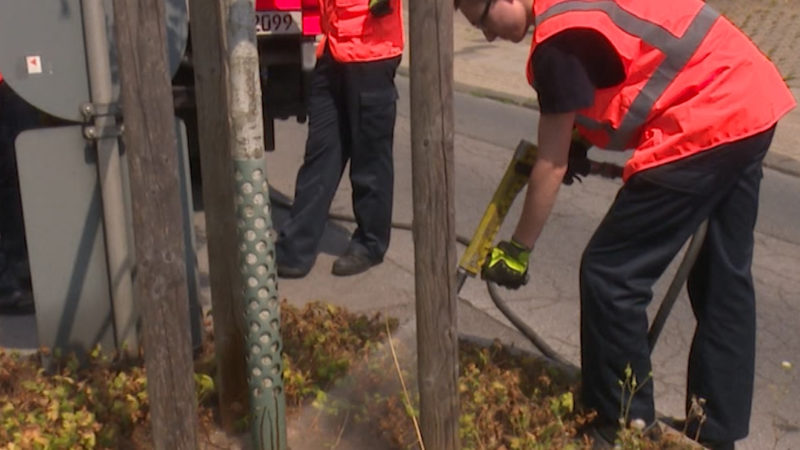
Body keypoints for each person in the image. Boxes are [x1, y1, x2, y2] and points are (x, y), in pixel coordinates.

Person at [454, 0, 796, 448]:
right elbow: (622, 68)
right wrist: (581, 134)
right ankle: (714, 432)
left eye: (481, 19)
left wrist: (518, 248)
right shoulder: (570, 11)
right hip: (749, 97)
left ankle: (618, 426)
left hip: (704, 118)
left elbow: (551, 164)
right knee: (722, 280)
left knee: (610, 274)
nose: (485, 35)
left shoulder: (556, 43)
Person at [275, 0, 404, 278]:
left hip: (371, 52)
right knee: (321, 155)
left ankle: (370, 244)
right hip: (334, 49)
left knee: (370, 161)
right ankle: (294, 250)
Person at [0, 76, 38, 311]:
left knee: (23, 177)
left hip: (16, 82)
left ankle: (22, 270)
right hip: (13, 84)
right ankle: (10, 278)